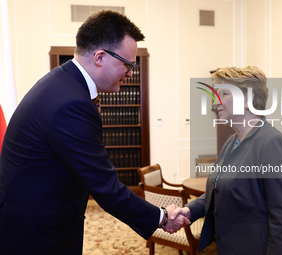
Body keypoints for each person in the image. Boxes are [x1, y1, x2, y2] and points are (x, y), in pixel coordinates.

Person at [0, 10, 188, 255]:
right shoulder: (72, 103)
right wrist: (162, 217)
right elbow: (105, 187)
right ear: (100, 57)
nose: (131, 72)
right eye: (128, 64)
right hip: (36, 234)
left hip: (35, 218)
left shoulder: (63, 81)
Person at [170, 66, 282, 254]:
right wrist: (189, 210)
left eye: (224, 93)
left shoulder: (272, 143)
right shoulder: (232, 141)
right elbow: (219, 191)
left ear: (247, 99)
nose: (216, 101)